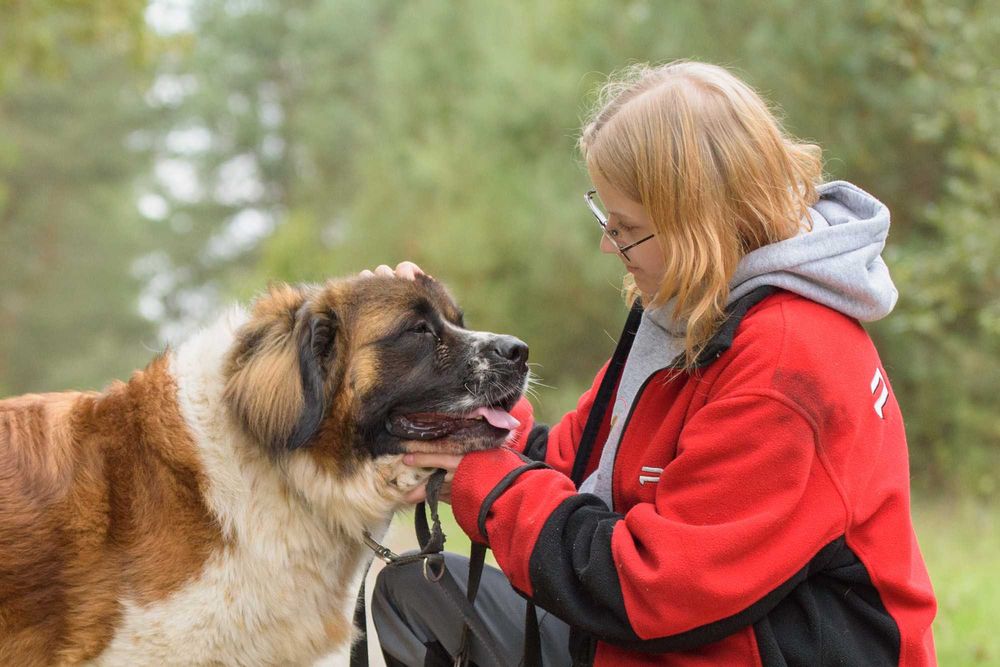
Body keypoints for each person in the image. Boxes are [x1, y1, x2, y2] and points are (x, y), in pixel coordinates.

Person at [369, 61, 937, 666]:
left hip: (721, 640)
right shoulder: (689, 313)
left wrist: (493, 487)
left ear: (701, 225)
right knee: (417, 597)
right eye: (606, 218)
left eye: (628, 228)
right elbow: (572, 464)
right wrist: (458, 392)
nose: (608, 245)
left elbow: (658, 589)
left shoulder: (785, 367)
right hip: (665, 631)